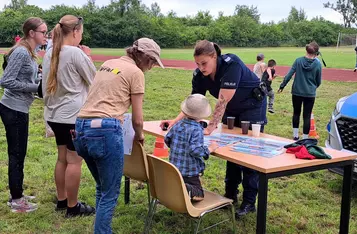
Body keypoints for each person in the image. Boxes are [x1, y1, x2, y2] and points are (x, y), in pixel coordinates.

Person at [161, 40, 267, 218]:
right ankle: (230, 195)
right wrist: (174, 121)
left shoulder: (231, 64)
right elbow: (192, 105)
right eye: (197, 64)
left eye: (204, 63)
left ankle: (249, 201)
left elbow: (222, 101)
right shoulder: (199, 75)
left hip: (252, 106)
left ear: (214, 57)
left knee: (249, 152)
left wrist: (210, 127)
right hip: (231, 109)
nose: (201, 67)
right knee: (231, 152)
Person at [73, 37, 164, 233]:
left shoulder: (108, 64)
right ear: (145, 58)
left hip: (80, 127)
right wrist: (139, 136)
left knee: (102, 187)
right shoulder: (136, 73)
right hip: (105, 130)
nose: (153, 67)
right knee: (110, 193)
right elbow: (138, 120)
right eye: (153, 62)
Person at [42, 15, 96, 217]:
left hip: (55, 115)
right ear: (75, 32)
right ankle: (73, 207)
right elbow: (94, 79)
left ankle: (62, 200)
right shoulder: (75, 53)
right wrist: (87, 56)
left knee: (62, 158)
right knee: (74, 161)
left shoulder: (50, 53)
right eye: (81, 33)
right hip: (73, 116)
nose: (81, 36)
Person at [0, 17, 47, 213]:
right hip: (13, 108)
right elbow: (6, 80)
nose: (46, 35)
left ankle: (17, 193)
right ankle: (17, 200)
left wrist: (39, 76)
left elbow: (22, 76)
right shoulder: (21, 52)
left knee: (19, 153)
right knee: (17, 154)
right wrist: (36, 87)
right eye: (43, 32)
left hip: (19, 108)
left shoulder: (30, 51)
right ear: (31, 33)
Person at [164, 94, 219, 201]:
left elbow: (167, 139)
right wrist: (210, 149)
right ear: (203, 114)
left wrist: (178, 146)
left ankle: (177, 188)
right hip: (190, 173)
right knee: (199, 194)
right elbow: (195, 150)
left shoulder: (177, 124)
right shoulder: (197, 130)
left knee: (179, 182)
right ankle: (184, 189)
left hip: (174, 170)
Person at [278, 41, 322, 140]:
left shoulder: (298, 61)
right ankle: (305, 138)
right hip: (310, 93)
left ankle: (295, 135)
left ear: (306, 50)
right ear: (316, 53)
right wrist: (314, 87)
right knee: (307, 115)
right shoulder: (318, 64)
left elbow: (289, 74)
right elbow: (318, 80)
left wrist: (282, 86)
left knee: (296, 113)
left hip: (297, 91)